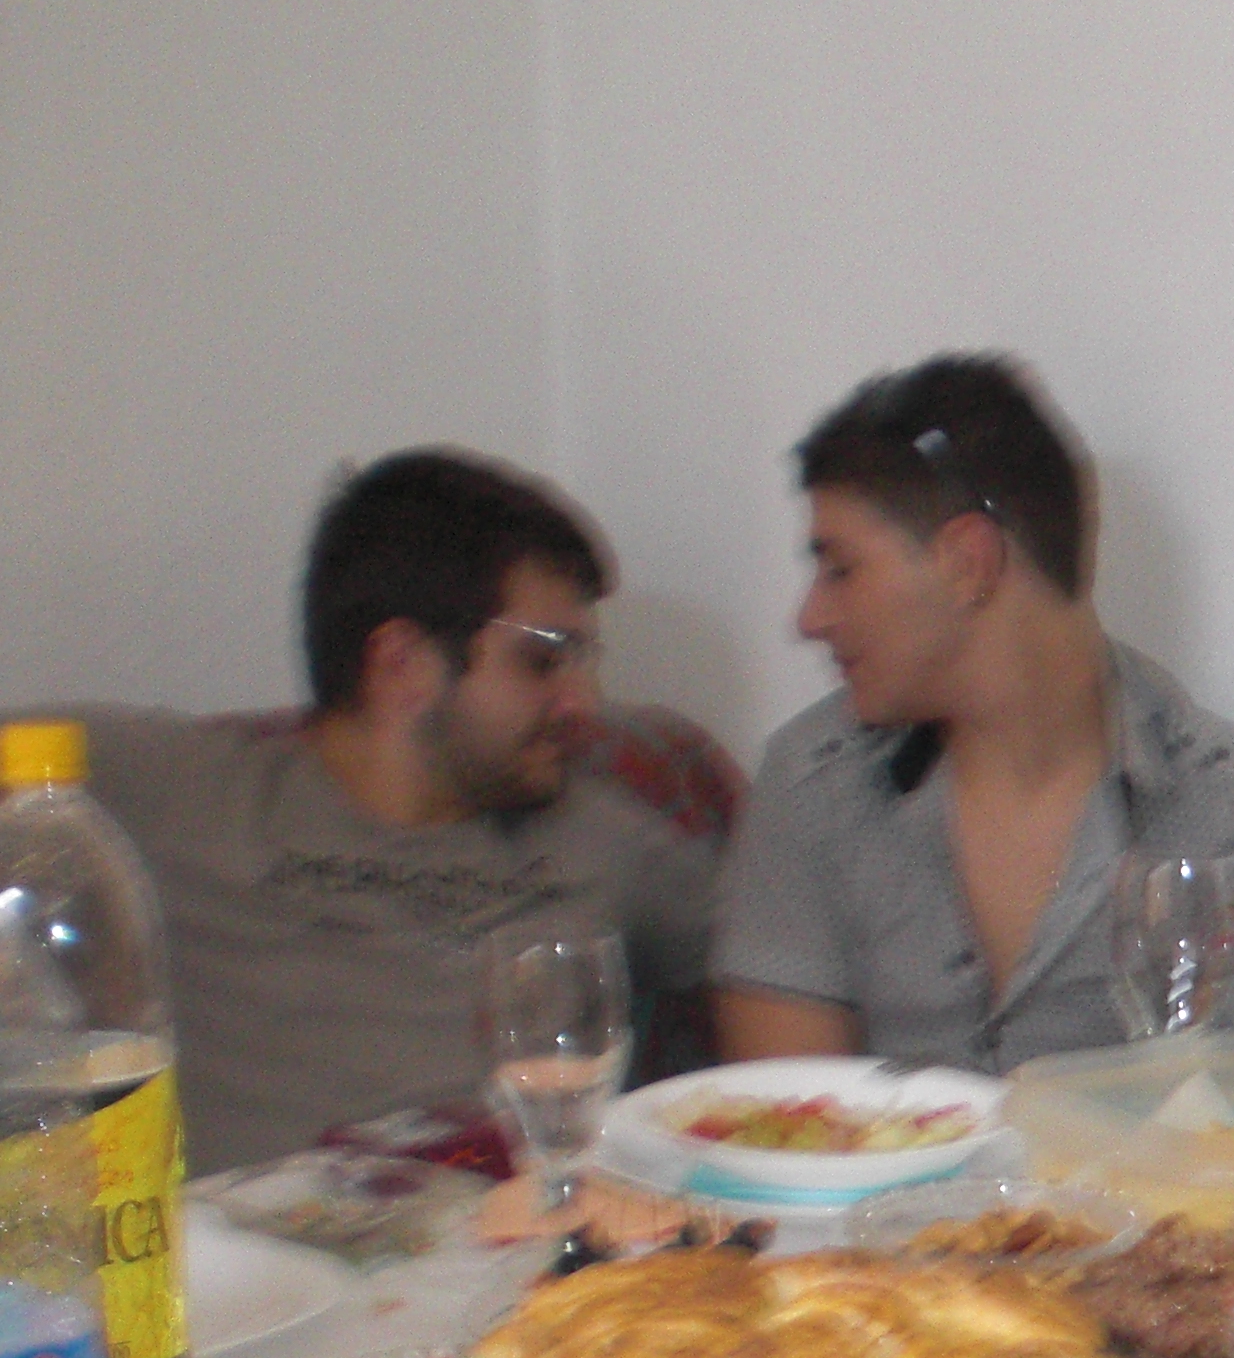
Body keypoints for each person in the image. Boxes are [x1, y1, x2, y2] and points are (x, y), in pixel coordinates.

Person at [18, 450, 718, 1175]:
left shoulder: (606, 838)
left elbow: (771, 964)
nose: (584, 703)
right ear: (400, 663)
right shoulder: (177, 787)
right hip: (249, 1241)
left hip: (510, 1229)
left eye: (585, 660)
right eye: (544, 660)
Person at [712, 355, 1234, 1073]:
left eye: (840, 570)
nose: (809, 618)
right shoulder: (812, 785)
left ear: (967, 563)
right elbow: (783, 1116)